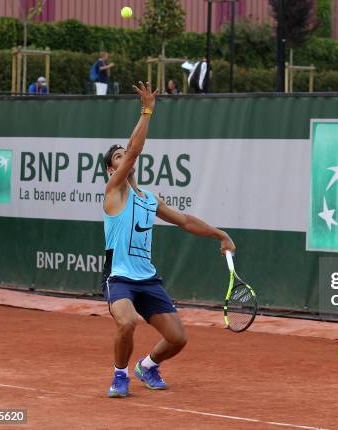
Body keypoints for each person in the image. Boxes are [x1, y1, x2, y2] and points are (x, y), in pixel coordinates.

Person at [102, 81, 236, 397]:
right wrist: (146, 110)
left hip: (147, 278)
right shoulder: (112, 193)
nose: (126, 158)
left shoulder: (149, 198)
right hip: (119, 277)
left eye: (125, 154)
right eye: (118, 157)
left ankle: (147, 366)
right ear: (111, 169)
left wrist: (220, 234)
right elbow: (135, 150)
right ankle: (120, 375)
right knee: (126, 323)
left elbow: (185, 221)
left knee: (177, 338)